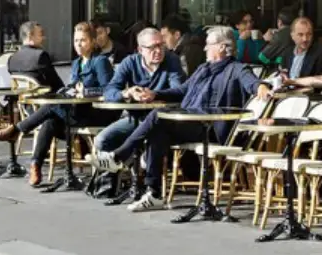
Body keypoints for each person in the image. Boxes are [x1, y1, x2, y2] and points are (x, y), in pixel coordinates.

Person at [104, 25, 271, 214]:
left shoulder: (237, 69)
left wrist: (261, 87)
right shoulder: (203, 68)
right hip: (191, 122)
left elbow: (252, 82)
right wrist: (155, 94)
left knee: (158, 115)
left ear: (222, 47)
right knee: (157, 132)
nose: (205, 48)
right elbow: (182, 90)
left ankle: (119, 156)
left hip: (211, 129)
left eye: (208, 44)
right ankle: (154, 193)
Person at [0, 22, 113, 187]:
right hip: (77, 111)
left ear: (92, 41)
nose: (78, 44)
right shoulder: (77, 63)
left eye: (83, 40)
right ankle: (35, 166)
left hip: (95, 113)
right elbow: (71, 86)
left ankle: (16, 130)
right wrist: (68, 90)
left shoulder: (100, 61)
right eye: (76, 40)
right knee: (50, 122)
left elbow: (109, 90)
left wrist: (86, 92)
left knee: (51, 106)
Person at [93, 27, 186, 202]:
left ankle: (141, 180)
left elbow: (179, 91)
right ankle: (110, 186)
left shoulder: (171, 60)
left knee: (152, 141)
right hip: (135, 117)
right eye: (152, 47)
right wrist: (126, 93)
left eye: (161, 45)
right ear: (140, 49)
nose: (158, 51)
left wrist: (155, 94)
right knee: (102, 140)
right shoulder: (130, 62)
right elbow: (109, 91)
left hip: (162, 120)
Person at [264, 16, 322, 80]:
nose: (305, 39)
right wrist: (281, 75)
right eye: (300, 35)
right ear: (292, 36)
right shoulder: (287, 52)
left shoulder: (321, 54)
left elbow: (320, 82)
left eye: (309, 34)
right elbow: (281, 72)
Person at [6, 21, 64, 92]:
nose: (44, 38)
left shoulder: (12, 59)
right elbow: (56, 83)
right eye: (41, 34)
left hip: (21, 97)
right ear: (30, 35)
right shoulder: (40, 56)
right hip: (43, 97)